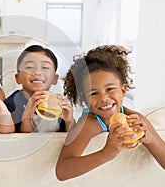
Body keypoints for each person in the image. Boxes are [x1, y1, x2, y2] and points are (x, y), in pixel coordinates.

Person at [55, 45, 165, 181]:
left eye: (110, 89)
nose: (104, 98)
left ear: (123, 90)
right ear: (84, 99)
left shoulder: (135, 119)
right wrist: (106, 154)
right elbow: (62, 171)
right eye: (94, 93)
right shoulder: (88, 124)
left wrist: (150, 138)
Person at [5, 45, 74, 132]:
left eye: (45, 67)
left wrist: (69, 121)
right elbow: (20, 141)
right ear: (18, 78)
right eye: (29, 67)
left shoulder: (58, 103)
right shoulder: (11, 104)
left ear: (54, 79)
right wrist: (26, 119)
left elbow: (71, 136)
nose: (37, 72)